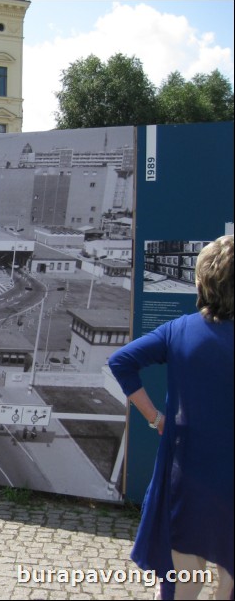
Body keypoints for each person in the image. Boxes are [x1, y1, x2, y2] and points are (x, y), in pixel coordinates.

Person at [108, 234, 233, 601]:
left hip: (188, 475)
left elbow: (121, 361)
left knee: (184, 579)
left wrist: (155, 418)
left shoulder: (179, 330)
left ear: (202, 280)